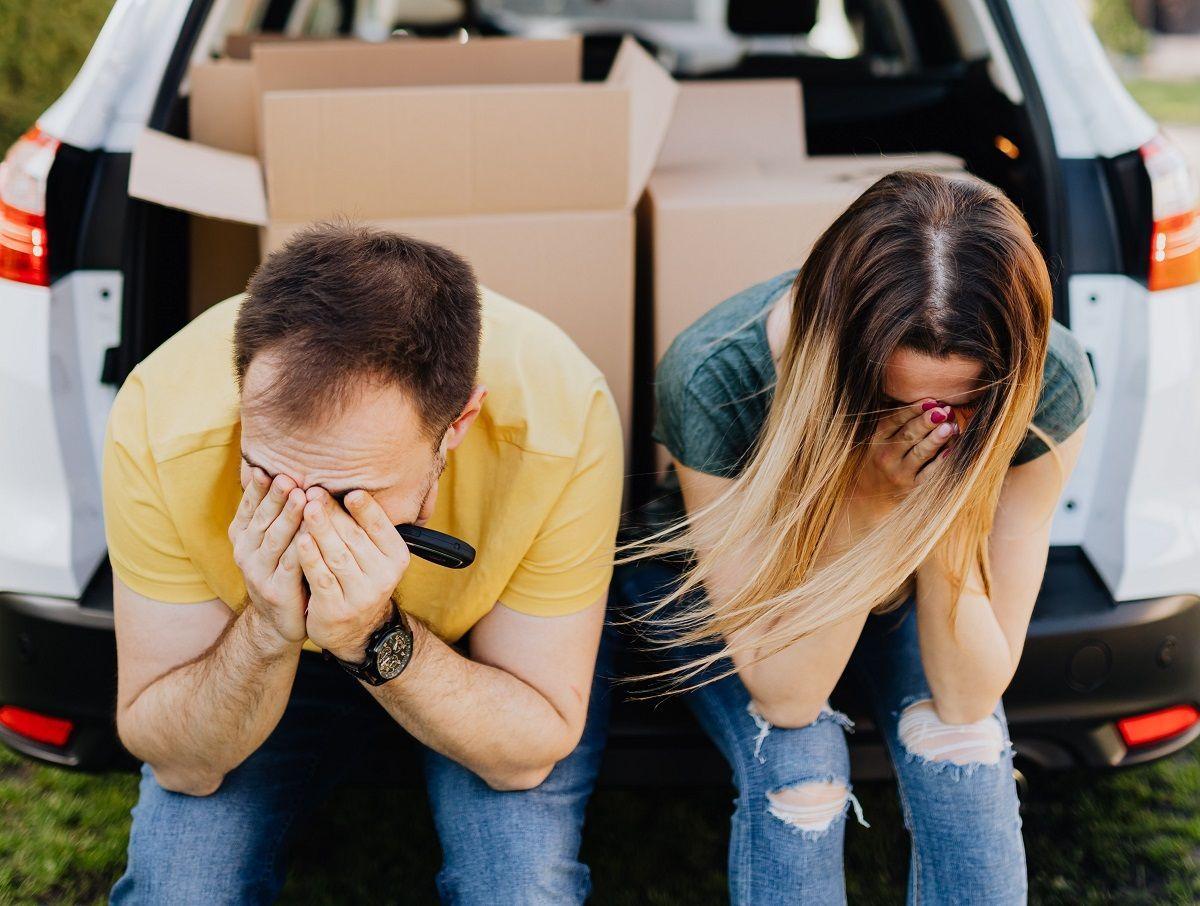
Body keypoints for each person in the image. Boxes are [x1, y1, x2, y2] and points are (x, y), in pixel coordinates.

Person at [103, 223, 624, 905]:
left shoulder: (563, 416)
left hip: (481, 657)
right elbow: (178, 763)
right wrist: (265, 626)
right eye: (267, 478)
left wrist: (369, 633)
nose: (308, 528)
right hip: (248, 648)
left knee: (520, 890)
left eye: (352, 495)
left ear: (458, 425)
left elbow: (523, 758)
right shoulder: (161, 418)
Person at [618, 170, 1095, 904]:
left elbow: (968, 696)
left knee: (964, 749)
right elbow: (788, 696)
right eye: (895, 400)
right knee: (801, 776)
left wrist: (939, 499)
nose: (933, 424)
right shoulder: (717, 373)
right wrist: (869, 504)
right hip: (731, 585)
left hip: (909, 581)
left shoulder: (1052, 382)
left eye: (963, 406)